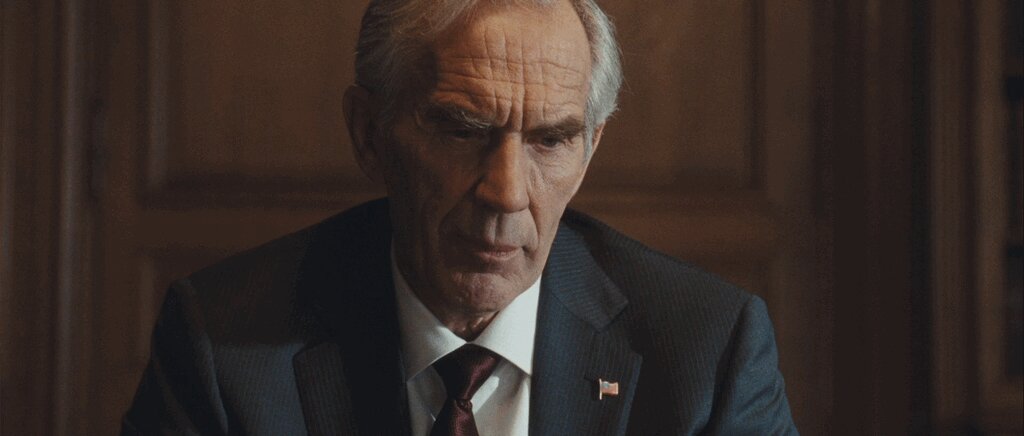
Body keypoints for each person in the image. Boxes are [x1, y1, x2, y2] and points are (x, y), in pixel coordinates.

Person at [122, 0, 798, 434]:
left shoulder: (708, 350)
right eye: (462, 130)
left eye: (551, 140)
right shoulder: (224, 347)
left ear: (590, 151)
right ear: (369, 134)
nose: (506, 194)